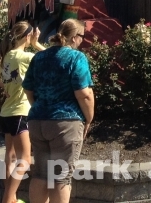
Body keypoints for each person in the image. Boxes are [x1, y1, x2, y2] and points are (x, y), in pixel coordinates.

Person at [23, 19, 94, 203]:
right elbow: (84, 94)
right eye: (82, 37)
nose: (82, 41)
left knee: (41, 173)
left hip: (37, 121)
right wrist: (89, 119)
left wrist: (38, 106)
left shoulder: (39, 57)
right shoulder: (76, 58)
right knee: (61, 177)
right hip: (65, 123)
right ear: (74, 38)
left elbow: (28, 88)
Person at [0, 21, 44, 203]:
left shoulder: (4, 57)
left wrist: (2, 84)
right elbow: (51, 57)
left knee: (11, 156)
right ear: (27, 36)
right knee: (25, 159)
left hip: (6, 113)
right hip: (21, 112)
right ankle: (7, 199)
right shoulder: (24, 57)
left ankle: (11, 197)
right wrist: (37, 44)